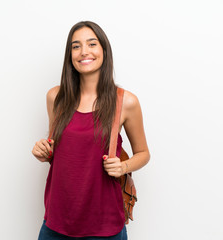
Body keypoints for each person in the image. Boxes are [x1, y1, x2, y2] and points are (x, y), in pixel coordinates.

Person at [32, 21, 150, 240]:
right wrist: (44, 152)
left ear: (104, 50)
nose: (84, 51)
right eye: (76, 46)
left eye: (91, 44)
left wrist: (122, 166)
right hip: (56, 222)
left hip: (104, 227)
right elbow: (58, 152)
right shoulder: (55, 98)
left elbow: (143, 153)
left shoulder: (125, 101)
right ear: (70, 55)